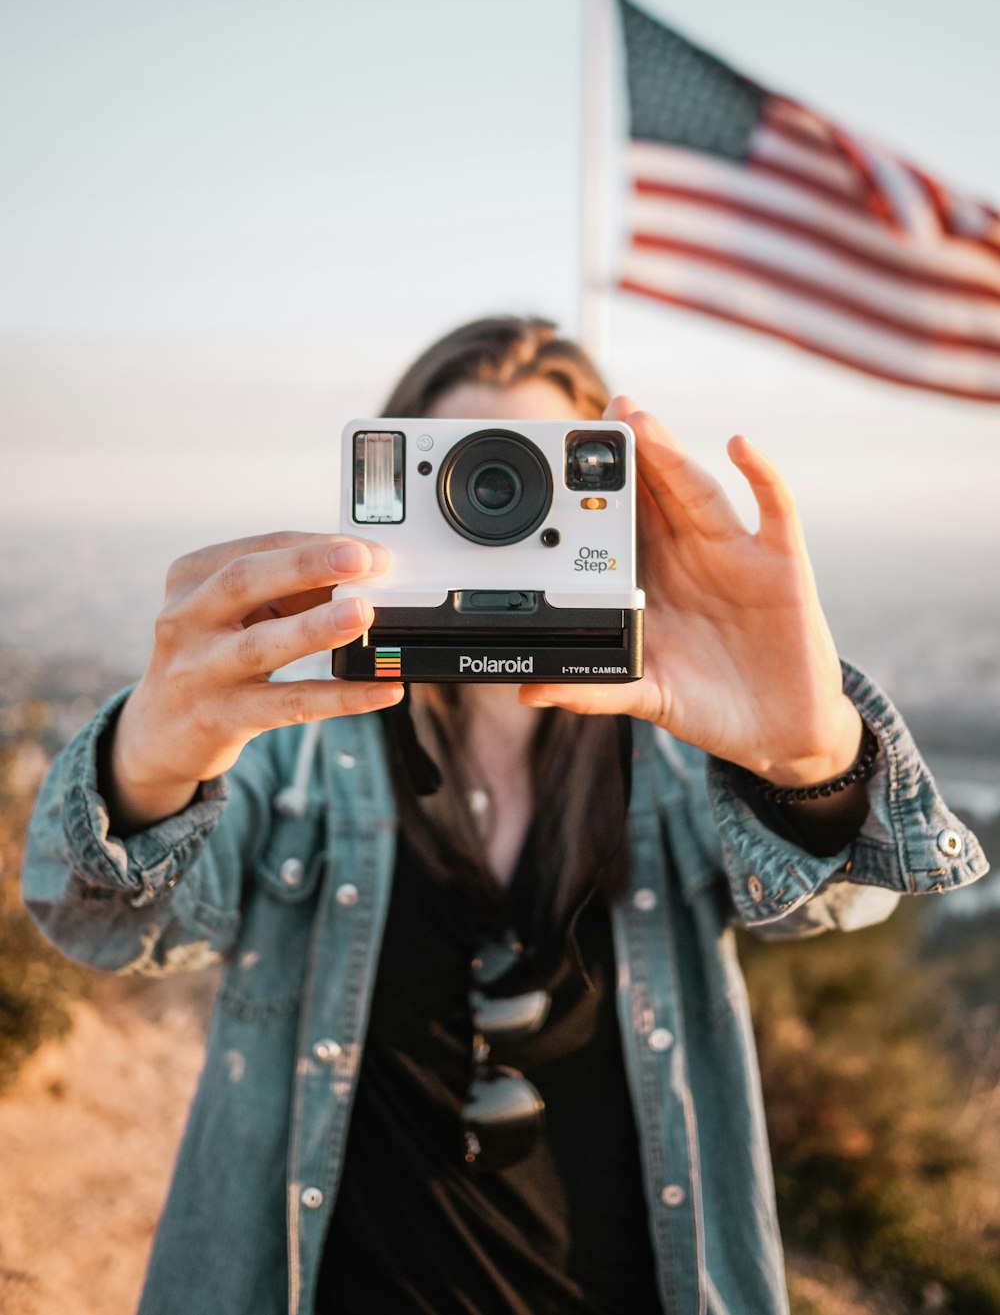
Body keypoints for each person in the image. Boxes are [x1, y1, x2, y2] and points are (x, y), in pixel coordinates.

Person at [23, 316, 987, 1315]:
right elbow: (108, 921)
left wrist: (807, 760)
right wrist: (146, 761)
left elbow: (838, 903)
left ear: (615, 507)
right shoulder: (295, 747)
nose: (496, 516)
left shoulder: (670, 761)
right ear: (381, 505)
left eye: (541, 481)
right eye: (465, 483)